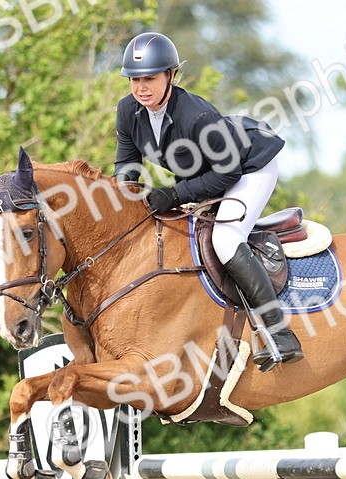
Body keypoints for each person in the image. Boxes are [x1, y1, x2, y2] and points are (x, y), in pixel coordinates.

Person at [113, 31, 303, 371]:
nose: (141, 87)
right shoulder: (128, 111)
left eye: (150, 78)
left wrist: (174, 194)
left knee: (225, 239)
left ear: (171, 75)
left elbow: (227, 174)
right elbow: (127, 166)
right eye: (135, 79)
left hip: (247, 168)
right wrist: (122, 207)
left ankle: (278, 332)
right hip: (203, 175)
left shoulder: (195, 115)